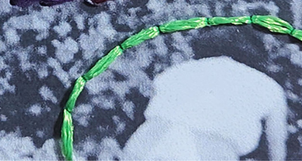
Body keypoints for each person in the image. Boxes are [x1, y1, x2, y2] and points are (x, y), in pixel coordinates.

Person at [120, 56, 287, 161]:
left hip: (153, 136)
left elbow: (154, 95)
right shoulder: (268, 86)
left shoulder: (183, 68)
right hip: (211, 147)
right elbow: (276, 143)